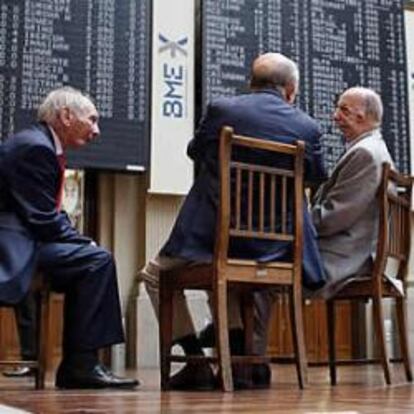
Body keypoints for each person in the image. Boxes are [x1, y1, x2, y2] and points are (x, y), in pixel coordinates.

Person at [138, 52, 327, 390]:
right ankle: (239, 361)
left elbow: (196, 151)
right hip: (278, 246)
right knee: (225, 280)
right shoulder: (307, 127)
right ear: (290, 90)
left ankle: (195, 359)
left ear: (251, 83)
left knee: (153, 276)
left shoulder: (223, 110)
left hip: (215, 236)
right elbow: (315, 176)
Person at [0, 86, 139, 389]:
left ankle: (81, 364)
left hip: (26, 240)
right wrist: (82, 242)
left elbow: (45, 211)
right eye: (92, 120)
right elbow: (41, 217)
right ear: (65, 116)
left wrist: (76, 239)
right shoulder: (35, 149)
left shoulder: (38, 145)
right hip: (13, 247)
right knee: (96, 260)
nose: (97, 131)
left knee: (92, 259)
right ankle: (81, 366)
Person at [311, 87, 393, 298]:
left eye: (343, 110)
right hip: (355, 253)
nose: (335, 116)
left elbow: (333, 217)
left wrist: (297, 221)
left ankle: (239, 331)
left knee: (264, 271)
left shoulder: (365, 153)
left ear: (362, 116)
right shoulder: (375, 148)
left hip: (342, 260)